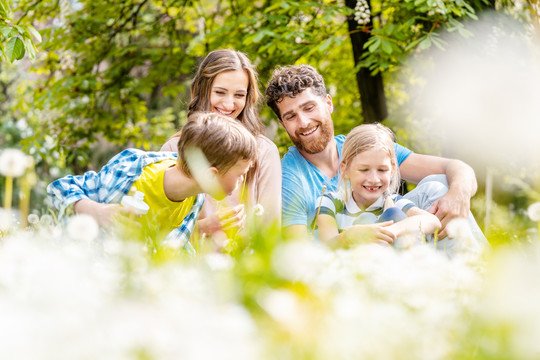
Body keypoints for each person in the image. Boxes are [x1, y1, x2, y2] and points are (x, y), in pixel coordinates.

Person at [265, 64, 487, 250]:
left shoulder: (365, 148)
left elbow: (457, 168)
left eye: (309, 107)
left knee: (438, 185)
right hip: (348, 262)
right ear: (282, 124)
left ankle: (478, 277)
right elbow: (297, 253)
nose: (303, 122)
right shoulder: (289, 176)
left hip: (395, 241)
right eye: (291, 116)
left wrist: (459, 194)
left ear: (328, 104)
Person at [47, 112, 257, 253]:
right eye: (240, 175)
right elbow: (58, 189)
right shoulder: (133, 168)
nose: (241, 181)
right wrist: (96, 211)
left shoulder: (193, 199)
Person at [161, 49, 281, 236]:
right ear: (203, 90)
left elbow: (271, 230)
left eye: (239, 95)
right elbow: (158, 228)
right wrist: (202, 228)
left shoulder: (264, 151)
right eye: (220, 92)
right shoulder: (173, 149)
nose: (228, 104)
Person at [316, 123, 441, 248]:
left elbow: (433, 221)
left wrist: (392, 230)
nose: (374, 179)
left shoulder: (392, 201)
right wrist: (351, 236)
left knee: (394, 214)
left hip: (388, 261)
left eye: (382, 170)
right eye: (364, 170)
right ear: (345, 169)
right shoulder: (330, 201)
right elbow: (327, 244)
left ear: (392, 169)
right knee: (365, 219)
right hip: (351, 263)